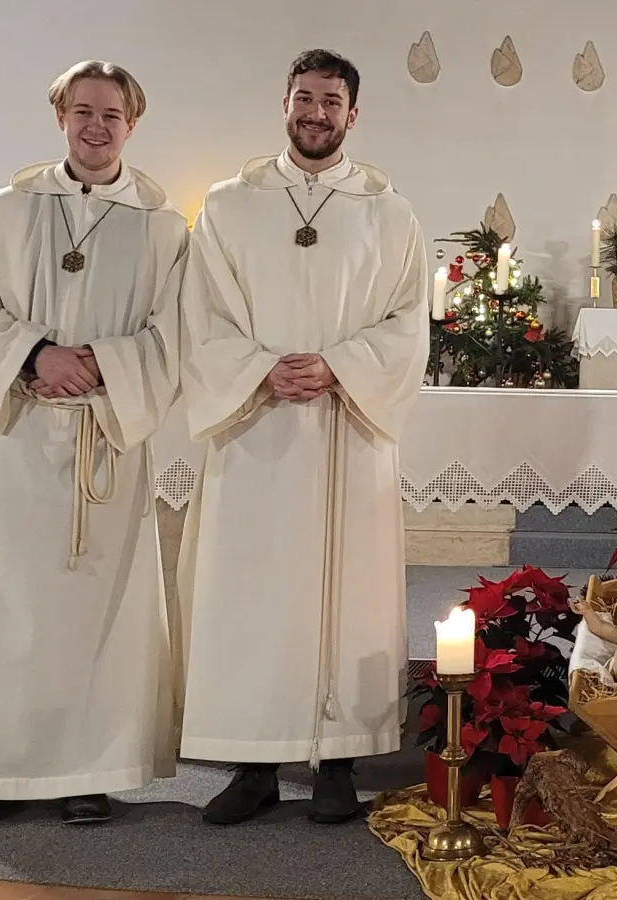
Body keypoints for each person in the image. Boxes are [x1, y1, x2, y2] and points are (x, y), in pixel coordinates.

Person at [0, 60, 186, 825]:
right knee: (3, 606)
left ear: (133, 122)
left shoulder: (162, 228)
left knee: (91, 612)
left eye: (112, 115)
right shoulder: (4, 212)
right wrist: (33, 356)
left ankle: (87, 768)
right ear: (60, 117)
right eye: (82, 111)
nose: (96, 126)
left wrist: (101, 363)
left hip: (105, 443)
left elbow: (179, 333)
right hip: (13, 440)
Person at [177, 49, 430, 825]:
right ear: (282, 104)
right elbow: (202, 315)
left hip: (349, 428)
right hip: (257, 427)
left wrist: (340, 367)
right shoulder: (228, 205)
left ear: (354, 115)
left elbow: (408, 321)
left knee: (350, 592)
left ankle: (339, 761)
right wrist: (259, 372)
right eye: (304, 98)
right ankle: (251, 764)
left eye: (331, 101)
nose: (316, 112)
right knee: (251, 591)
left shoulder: (391, 212)